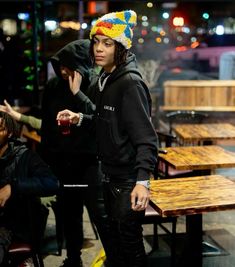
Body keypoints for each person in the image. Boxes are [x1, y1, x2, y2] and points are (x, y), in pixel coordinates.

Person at [57, 10, 158, 267]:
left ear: (121, 47)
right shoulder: (105, 79)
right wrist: (79, 118)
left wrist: (142, 182)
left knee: (131, 249)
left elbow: (146, 139)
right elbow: (106, 124)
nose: (98, 48)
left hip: (126, 183)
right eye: (96, 41)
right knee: (113, 248)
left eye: (107, 43)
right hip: (108, 176)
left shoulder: (129, 84)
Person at [40, 39, 111, 267]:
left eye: (67, 65)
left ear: (80, 65)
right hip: (63, 165)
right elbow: (46, 126)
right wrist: (47, 162)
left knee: (101, 216)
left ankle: (116, 259)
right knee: (69, 215)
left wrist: (78, 93)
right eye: (59, 65)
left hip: (90, 164)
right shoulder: (52, 87)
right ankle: (73, 260)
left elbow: (100, 121)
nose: (62, 70)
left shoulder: (95, 85)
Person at [0, 111, 59, 266]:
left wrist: (14, 186)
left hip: (13, 226)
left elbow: (52, 183)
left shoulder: (24, 156)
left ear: (10, 133)